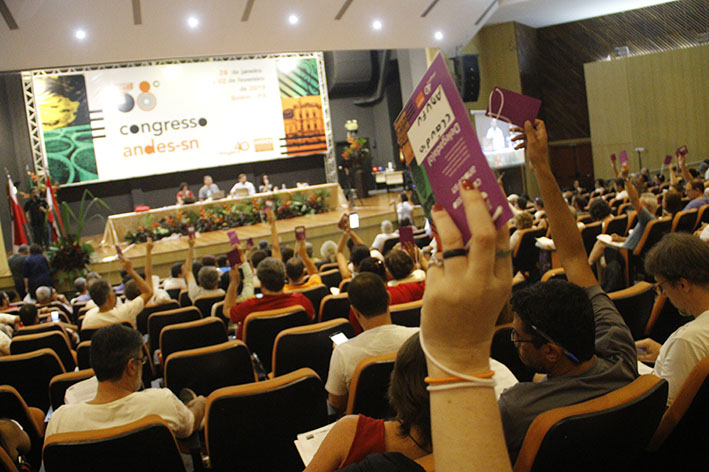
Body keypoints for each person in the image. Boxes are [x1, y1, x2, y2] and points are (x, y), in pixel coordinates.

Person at [499, 120, 637, 463]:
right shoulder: (620, 351)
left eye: (519, 337)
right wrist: (540, 165)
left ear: (550, 352)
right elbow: (574, 256)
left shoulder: (518, 408)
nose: (514, 341)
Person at [45, 324, 206, 439]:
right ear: (131, 367)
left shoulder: (59, 422)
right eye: (141, 361)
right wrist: (200, 403)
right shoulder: (161, 402)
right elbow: (189, 426)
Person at [325, 272, 420, 413]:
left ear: (354, 311)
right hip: (413, 417)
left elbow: (337, 404)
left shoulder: (343, 353)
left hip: (364, 423)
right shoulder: (417, 337)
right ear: (389, 299)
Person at [635, 233, 709, 405]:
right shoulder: (689, 342)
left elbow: (664, 412)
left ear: (683, 285)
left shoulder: (687, 340)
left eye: (662, 288)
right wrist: (665, 354)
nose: (665, 295)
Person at [225, 257, 314, 340]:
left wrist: (234, 282)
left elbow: (227, 311)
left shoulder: (249, 307)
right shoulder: (301, 301)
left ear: (261, 284)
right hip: (294, 349)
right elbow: (311, 319)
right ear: (284, 279)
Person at [82, 257, 153, 329]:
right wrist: (130, 270)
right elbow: (148, 292)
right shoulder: (125, 312)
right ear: (109, 297)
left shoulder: (88, 317)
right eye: (112, 291)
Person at [184, 237, 225, 303]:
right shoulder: (223, 293)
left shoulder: (195, 294)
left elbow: (188, 271)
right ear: (217, 281)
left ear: (199, 281)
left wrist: (190, 247)